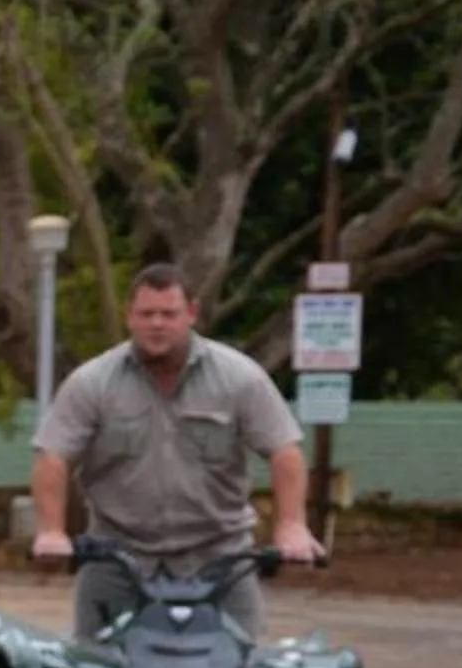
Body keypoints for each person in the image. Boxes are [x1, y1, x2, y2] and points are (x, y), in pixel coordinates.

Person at [30, 264, 321, 640]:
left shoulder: (239, 378)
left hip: (219, 554)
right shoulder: (92, 382)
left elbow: (285, 452)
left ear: (192, 314)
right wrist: (51, 532)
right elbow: (53, 456)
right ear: (129, 317)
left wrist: (291, 525)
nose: (157, 324)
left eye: (168, 314)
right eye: (146, 314)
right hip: (117, 556)